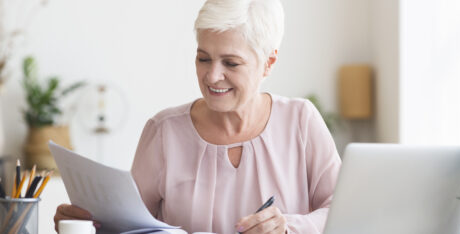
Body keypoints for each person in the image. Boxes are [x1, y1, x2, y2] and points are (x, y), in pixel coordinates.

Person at [54, 0, 341, 233]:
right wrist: (87, 224)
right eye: (203, 58)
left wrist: (289, 227)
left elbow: (342, 211)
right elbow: (127, 226)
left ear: (268, 63)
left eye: (231, 62)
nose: (212, 76)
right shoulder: (163, 131)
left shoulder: (301, 120)